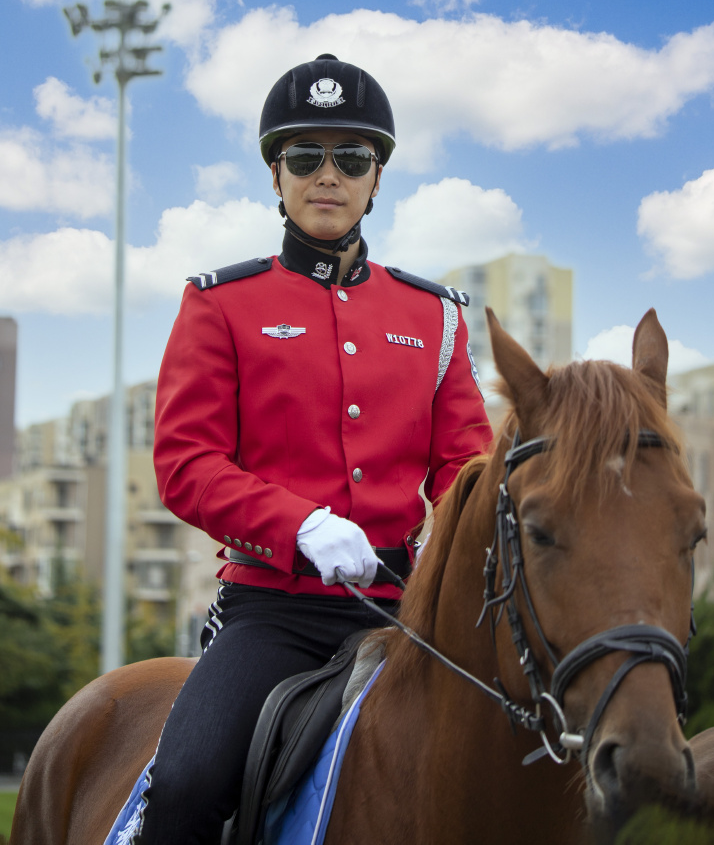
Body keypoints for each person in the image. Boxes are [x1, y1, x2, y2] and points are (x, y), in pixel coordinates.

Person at [135, 54, 493, 844]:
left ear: (375, 180)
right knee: (187, 783)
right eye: (304, 157)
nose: (327, 175)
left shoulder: (434, 316)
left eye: (351, 158)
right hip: (275, 609)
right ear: (276, 175)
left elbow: (465, 467)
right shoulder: (220, 304)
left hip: (408, 608)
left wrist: (458, 547)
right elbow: (186, 463)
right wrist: (298, 525)